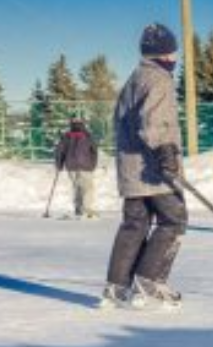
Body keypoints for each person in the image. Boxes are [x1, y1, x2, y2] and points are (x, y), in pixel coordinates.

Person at [101, 22, 187, 309]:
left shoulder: (134, 79)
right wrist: (166, 152)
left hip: (130, 170)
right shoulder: (159, 79)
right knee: (174, 220)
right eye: (173, 52)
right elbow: (154, 121)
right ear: (164, 53)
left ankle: (117, 287)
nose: (175, 57)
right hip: (153, 172)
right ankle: (149, 281)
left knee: (135, 224)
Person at [55, 117, 100, 218]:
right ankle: (87, 209)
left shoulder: (67, 136)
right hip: (86, 166)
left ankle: (79, 208)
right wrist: (93, 164)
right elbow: (94, 150)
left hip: (71, 166)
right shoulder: (87, 135)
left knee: (77, 188)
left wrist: (59, 165)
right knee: (87, 188)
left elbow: (60, 151)